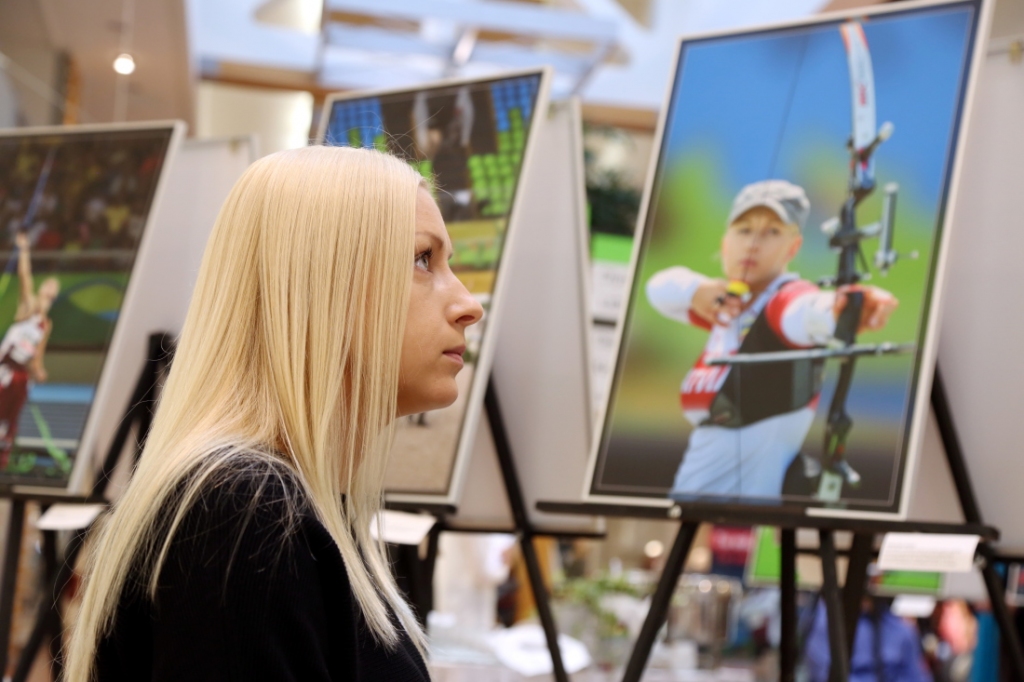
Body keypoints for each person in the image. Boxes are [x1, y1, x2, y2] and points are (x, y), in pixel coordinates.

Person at [65, 145, 484, 681]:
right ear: (317, 283)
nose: (468, 304)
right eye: (422, 260)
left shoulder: (275, 503)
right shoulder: (247, 512)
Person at [646, 180, 898, 500]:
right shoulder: (726, 308)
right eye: (744, 229)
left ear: (793, 248)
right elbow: (657, 288)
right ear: (725, 243)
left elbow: (805, 311)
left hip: (749, 516)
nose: (753, 244)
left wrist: (843, 310)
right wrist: (697, 291)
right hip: (694, 504)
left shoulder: (782, 301)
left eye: (772, 232)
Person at [0, 232, 58, 469]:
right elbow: (25, 276)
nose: (52, 287)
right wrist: (24, 249)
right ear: (43, 288)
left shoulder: (47, 324)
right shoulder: (27, 307)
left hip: (20, 378)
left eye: (55, 288)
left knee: (7, 424)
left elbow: (37, 357)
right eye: (49, 284)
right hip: (4, 370)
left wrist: (39, 372)